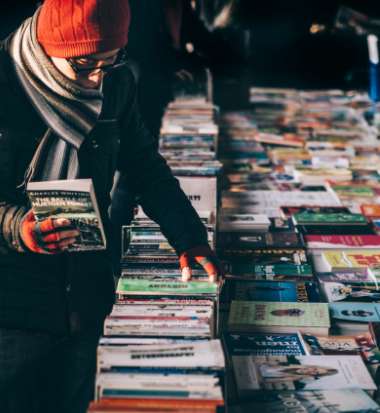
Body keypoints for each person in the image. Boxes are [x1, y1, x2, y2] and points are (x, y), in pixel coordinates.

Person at [0, 1, 222, 412]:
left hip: (85, 294)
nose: (97, 77)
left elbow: (145, 166)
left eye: (111, 59)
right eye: (85, 65)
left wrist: (189, 238)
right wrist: (18, 226)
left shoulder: (116, 84)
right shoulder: (5, 83)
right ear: (50, 47)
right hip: (13, 303)